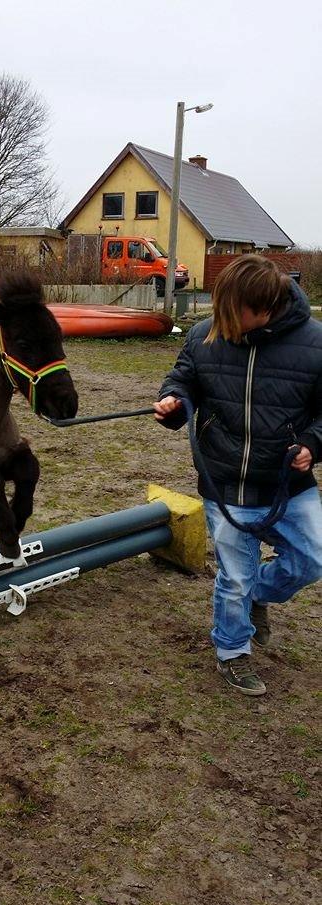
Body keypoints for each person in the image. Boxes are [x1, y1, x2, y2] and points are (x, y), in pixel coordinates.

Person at [154, 255, 322, 696]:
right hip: (225, 482)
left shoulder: (315, 343)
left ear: (266, 308)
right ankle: (232, 651)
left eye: (233, 312)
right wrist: (172, 402)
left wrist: (311, 444)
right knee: (233, 577)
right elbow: (181, 381)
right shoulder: (203, 336)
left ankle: (259, 595)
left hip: (288, 486)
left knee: (310, 561)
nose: (221, 320)